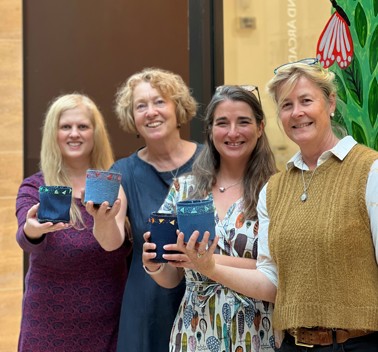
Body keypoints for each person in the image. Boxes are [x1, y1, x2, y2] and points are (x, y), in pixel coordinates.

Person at [180, 59, 378, 351]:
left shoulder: (370, 170)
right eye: (286, 105)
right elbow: (272, 280)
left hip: (358, 344)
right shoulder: (274, 189)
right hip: (292, 344)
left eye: (306, 101)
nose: (297, 113)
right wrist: (209, 266)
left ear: (331, 102)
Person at [142, 85, 278, 351]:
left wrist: (205, 262)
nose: (233, 132)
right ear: (210, 130)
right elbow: (173, 278)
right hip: (194, 334)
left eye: (243, 122)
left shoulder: (276, 190)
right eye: (222, 123)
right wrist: (155, 265)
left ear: (260, 128)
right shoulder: (185, 189)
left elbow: (280, 270)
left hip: (256, 334)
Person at [86, 68, 203, 352]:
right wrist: (101, 220)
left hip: (204, 300)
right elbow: (111, 241)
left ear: (178, 108)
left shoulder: (211, 161)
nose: (151, 112)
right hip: (147, 305)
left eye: (160, 102)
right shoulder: (123, 172)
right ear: (133, 119)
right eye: (141, 106)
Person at [15, 93, 130, 352]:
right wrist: (33, 230)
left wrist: (102, 221)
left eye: (82, 126)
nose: (74, 134)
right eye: (65, 126)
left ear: (95, 133)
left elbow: (113, 245)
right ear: (53, 133)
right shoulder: (36, 185)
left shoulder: (112, 184)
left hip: (107, 321)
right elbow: (25, 235)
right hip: (47, 322)